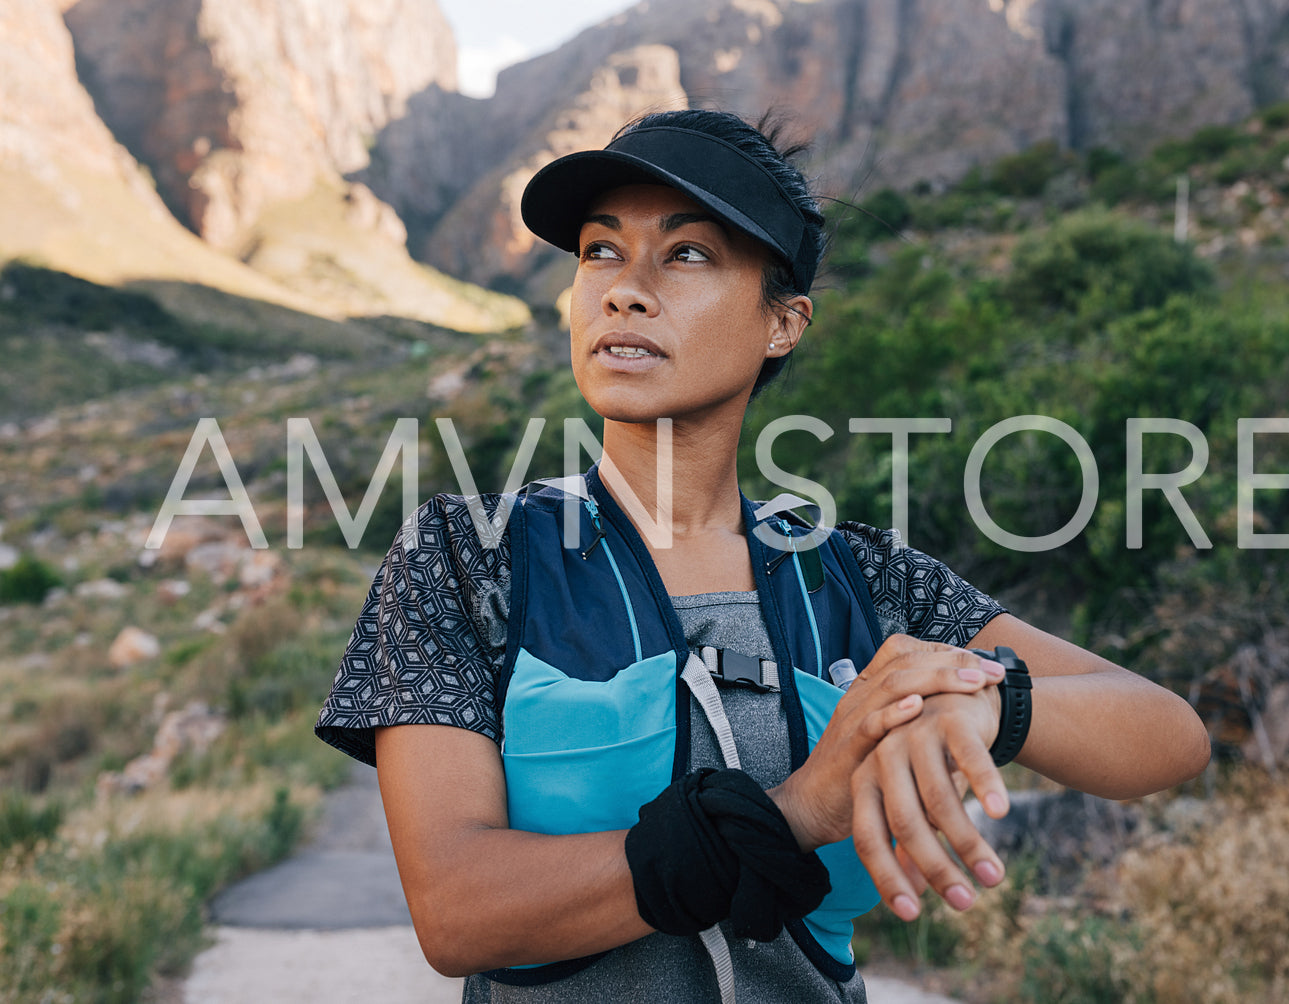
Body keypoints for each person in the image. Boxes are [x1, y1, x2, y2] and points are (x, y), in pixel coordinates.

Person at [315, 108, 1210, 1003]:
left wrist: (989, 709)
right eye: (599, 250)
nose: (624, 289)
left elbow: (1166, 734)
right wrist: (792, 814)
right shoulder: (470, 558)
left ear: (782, 324)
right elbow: (459, 913)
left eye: (688, 253)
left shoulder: (858, 576)